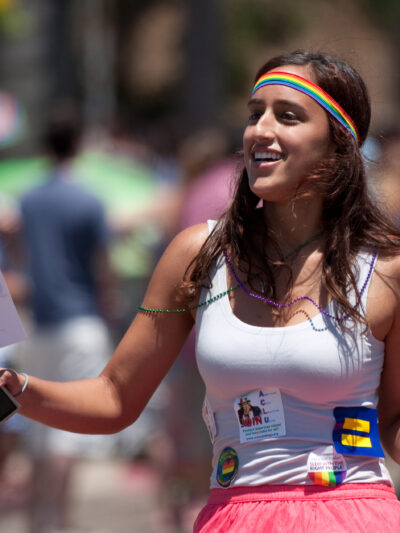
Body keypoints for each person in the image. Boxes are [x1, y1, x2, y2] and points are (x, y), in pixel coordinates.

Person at [1, 50, 400, 532]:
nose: (261, 130)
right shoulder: (198, 254)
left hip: (354, 516)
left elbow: (395, 419)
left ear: (339, 144)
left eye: (287, 116)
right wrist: (14, 389)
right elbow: (113, 398)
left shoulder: (385, 269)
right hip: (235, 517)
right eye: (255, 115)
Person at [18, 104, 117, 532]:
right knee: (66, 431)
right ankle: (59, 519)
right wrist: (109, 308)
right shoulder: (90, 201)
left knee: (38, 425)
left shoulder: (27, 199)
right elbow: (103, 267)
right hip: (80, 322)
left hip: (37, 323)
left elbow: (21, 260)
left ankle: (38, 518)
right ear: (78, 144)